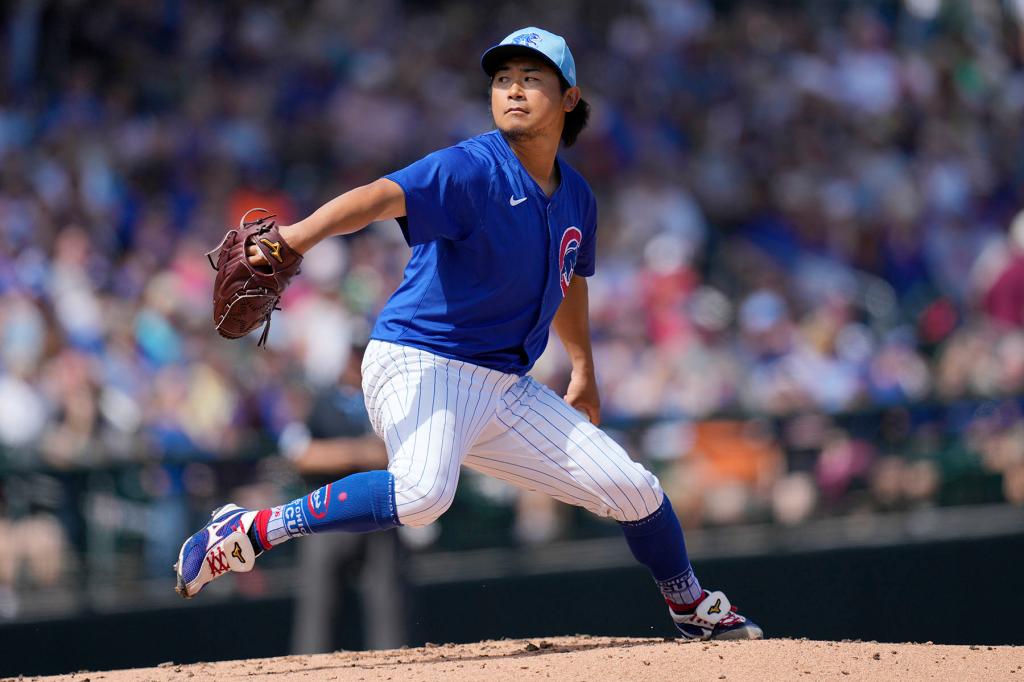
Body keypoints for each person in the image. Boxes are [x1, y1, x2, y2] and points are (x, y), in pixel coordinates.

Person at [174, 27, 762, 641]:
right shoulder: (472, 167)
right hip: (419, 360)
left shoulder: (577, 198)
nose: (512, 90)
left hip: (505, 386)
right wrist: (297, 236)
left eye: (531, 80)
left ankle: (691, 605)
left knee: (634, 487)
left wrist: (584, 367)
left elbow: (569, 273)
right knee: (425, 494)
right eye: (503, 80)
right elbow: (381, 196)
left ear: (568, 99)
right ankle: (250, 529)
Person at [281, 343, 407, 653]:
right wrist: (357, 453)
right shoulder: (321, 403)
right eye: (354, 355)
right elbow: (301, 454)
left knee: (388, 601)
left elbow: (403, 454)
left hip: (379, 512)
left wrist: (362, 454)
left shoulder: (390, 400)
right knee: (318, 603)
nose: (358, 363)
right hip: (326, 512)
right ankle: (311, 670)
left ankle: (396, 669)